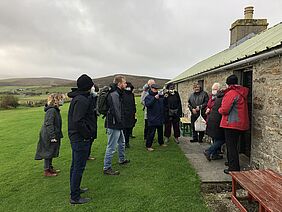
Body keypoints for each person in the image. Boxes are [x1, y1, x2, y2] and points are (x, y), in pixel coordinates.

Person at [68, 74, 97, 204]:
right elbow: (78, 120)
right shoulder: (81, 100)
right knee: (78, 167)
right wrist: (88, 134)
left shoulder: (81, 98)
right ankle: (75, 197)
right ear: (88, 86)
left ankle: (76, 189)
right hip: (80, 138)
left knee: (75, 166)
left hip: (77, 137)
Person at [218, 74, 249, 174]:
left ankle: (233, 168)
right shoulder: (241, 92)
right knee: (234, 146)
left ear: (228, 84)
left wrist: (219, 109)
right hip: (240, 123)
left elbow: (225, 110)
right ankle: (232, 163)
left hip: (231, 123)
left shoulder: (231, 93)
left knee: (231, 146)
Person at [103, 75, 130, 175]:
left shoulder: (118, 93)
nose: (125, 84)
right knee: (111, 146)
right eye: (124, 82)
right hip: (114, 124)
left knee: (122, 142)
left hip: (117, 124)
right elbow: (116, 110)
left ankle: (121, 159)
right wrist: (121, 122)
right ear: (119, 84)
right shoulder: (114, 94)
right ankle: (106, 167)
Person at [35, 94, 64, 177]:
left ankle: (50, 168)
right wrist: (52, 136)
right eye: (61, 99)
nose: (62, 101)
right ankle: (46, 170)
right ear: (55, 100)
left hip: (52, 133)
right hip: (48, 134)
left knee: (51, 151)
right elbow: (49, 124)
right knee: (48, 152)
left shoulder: (55, 109)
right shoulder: (51, 110)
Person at [204, 84, 225, 161]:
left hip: (213, 119)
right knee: (221, 138)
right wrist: (208, 109)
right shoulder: (216, 98)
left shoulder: (218, 98)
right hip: (214, 119)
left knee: (217, 137)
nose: (213, 91)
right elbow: (209, 105)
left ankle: (214, 154)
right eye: (213, 89)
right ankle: (209, 151)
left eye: (215, 89)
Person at [145, 84, 167, 151]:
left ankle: (161, 143)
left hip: (160, 117)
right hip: (152, 118)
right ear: (151, 88)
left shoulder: (160, 97)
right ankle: (148, 146)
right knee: (151, 133)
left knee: (160, 132)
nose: (156, 90)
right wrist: (154, 98)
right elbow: (148, 105)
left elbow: (164, 105)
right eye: (154, 89)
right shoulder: (148, 97)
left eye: (157, 89)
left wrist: (165, 97)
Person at [87, 84, 99, 160]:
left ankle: (87, 155)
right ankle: (85, 155)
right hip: (89, 120)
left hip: (93, 119)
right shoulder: (88, 98)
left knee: (92, 138)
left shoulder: (94, 97)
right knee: (89, 138)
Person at [123, 82, 136, 148]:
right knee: (124, 130)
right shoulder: (122, 94)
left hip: (131, 114)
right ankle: (123, 143)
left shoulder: (131, 94)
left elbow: (133, 104)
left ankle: (127, 142)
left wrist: (134, 112)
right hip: (125, 114)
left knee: (128, 129)